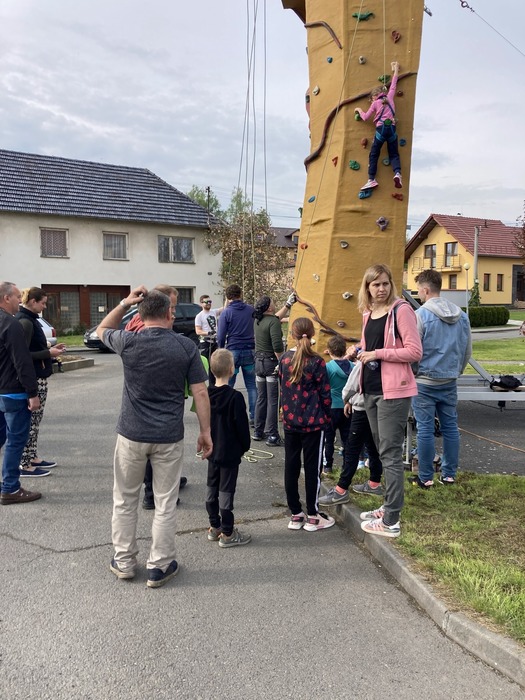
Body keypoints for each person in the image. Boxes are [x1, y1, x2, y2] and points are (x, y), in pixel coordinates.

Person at [98, 287, 212, 588]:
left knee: (125, 500)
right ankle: (159, 566)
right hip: (168, 436)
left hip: (131, 434)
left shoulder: (128, 341)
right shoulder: (185, 347)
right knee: (165, 502)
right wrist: (205, 432)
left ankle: (124, 561)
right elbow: (200, 392)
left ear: (140, 314)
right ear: (169, 314)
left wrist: (125, 303)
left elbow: (102, 329)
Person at [356, 264, 422, 538]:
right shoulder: (368, 313)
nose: (381, 288)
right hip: (371, 389)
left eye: (385, 283)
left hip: (393, 392)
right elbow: (368, 347)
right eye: (375, 284)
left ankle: (391, 520)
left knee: (391, 455)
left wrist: (378, 353)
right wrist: (357, 351)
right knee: (383, 452)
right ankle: (388, 505)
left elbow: (414, 351)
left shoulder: (401, 310)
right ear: (367, 287)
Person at [124, 285, 188, 510]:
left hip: (157, 393)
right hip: (150, 398)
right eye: (172, 307)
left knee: (159, 451)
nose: (174, 313)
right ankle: (152, 493)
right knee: (154, 447)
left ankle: (167, 482)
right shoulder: (143, 327)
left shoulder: (147, 322)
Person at [410, 269, 472, 488]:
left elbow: (414, 351)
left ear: (426, 290)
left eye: (419, 290)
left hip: (424, 380)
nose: (418, 294)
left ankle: (426, 477)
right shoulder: (462, 316)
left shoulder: (420, 315)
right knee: (450, 427)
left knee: (425, 429)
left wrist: (414, 372)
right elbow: (467, 351)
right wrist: (457, 371)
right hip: (449, 379)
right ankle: (449, 475)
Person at [279, 317, 335, 532]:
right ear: (312, 334)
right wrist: (327, 417)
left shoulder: (284, 359)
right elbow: (325, 394)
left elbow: (283, 389)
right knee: (313, 468)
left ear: (292, 335)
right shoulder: (317, 361)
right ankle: (313, 514)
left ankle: (295, 513)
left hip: (290, 421)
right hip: (313, 422)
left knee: (291, 466)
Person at [15, 287, 66, 477]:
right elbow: (23, 354)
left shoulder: (31, 320)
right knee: (31, 421)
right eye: (43, 303)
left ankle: (32, 456)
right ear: (32, 302)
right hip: (34, 378)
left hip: (39, 375)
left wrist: (49, 349)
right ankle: (25, 463)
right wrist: (48, 353)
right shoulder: (25, 322)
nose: (44, 307)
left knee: (36, 420)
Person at [319, 360, 384, 506]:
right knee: (373, 445)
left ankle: (341, 489)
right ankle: (374, 482)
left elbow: (351, 386)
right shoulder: (386, 362)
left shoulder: (365, 362)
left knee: (352, 449)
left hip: (361, 407)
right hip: (378, 408)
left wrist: (347, 400)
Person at [0, 282, 41, 505]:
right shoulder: (11, 323)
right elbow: (22, 361)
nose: (20, 300)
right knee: (16, 442)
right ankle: (11, 489)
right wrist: (32, 393)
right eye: (17, 296)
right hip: (14, 393)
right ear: (6, 298)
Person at [206, 349, 252, 547]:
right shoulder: (235, 397)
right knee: (226, 491)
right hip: (230, 452)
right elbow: (242, 427)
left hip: (212, 450)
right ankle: (227, 532)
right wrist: (245, 446)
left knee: (211, 487)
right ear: (232, 370)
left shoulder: (206, 394)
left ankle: (214, 525)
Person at [252, 293, 295, 447]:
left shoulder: (258, 320)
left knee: (261, 398)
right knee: (273, 400)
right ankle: (272, 435)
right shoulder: (273, 323)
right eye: (272, 302)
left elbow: (275, 317)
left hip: (258, 362)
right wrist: (282, 361)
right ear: (269, 307)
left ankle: (258, 431)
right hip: (271, 363)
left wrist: (288, 305)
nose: (274, 303)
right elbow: (277, 345)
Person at [356, 61, 403, 191]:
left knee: (374, 154)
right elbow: (394, 84)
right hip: (392, 129)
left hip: (381, 130)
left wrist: (359, 110)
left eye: (372, 98)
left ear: (375, 96)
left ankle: (371, 179)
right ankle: (397, 173)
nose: (371, 100)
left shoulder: (375, 103)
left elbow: (365, 117)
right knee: (394, 154)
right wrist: (396, 69)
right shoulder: (390, 97)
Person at [217, 284, 257, 423]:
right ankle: (254, 416)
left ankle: (227, 414)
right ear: (241, 294)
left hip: (233, 350)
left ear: (228, 297)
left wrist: (220, 348)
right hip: (249, 349)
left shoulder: (226, 313)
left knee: (229, 383)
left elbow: (221, 335)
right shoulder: (251, 310)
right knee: (251, 385)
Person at [322, 335, 352, 474]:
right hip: (348, 406)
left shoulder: (328, 367)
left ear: (329, 351)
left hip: (332, 406)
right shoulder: (353, 366)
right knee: (347, 439)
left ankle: (327, 466)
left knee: (328, 438)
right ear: (345, 350)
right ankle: (347, 466)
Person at [195, 294, 223, 385]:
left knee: (214, 365)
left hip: (214, 342)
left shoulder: (213, 312)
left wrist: (228, 298)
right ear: (201, 303)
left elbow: (224, 308)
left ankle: (213, 385)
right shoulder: (199, 316)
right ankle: (201, 384)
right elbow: (198, 331)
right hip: (205, 343)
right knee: (204, 365)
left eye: (210, 302)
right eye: (206, 302)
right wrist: (208, 333)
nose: (208, 303)